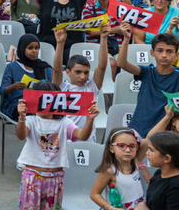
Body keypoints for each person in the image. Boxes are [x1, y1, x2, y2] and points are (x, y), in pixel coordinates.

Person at [15, 81, 99, 210]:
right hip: (32, 176)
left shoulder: (65, 122)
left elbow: (82, 136)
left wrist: (90, 119)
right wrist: (21, 117)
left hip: (55, 178)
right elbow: (21, 136)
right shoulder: (31, 120)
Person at [117, 26, 179, 137]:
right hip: (139, 127)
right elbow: (122, 64)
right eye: (160, 50)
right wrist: (126, 39)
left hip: (167, 132)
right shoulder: (147, 71)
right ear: (152, 52)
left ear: (176, 55)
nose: (164, 55)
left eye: (169, 51)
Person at [50, 28, 108, 142]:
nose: (83, 77)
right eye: (78, 72)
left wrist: (104, 37)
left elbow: (102, 66)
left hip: (87, 140)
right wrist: (60, 43)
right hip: (64, 140)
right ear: (67, 72)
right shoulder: (62, 87)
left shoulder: (91, 87)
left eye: (86, 72)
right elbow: (57, 69)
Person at [0, 34, 55, 119]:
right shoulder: (12, 67)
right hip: (18, 105)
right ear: (22, 49)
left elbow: (55, 88)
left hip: (41, 103)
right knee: (32, 114)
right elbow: (2, 91)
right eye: (30, 48)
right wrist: (13, 87)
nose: (34, 51)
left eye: (36, 48)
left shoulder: (44, 67)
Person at [91, 128, 148, 210]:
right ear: (111, 148)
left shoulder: (135, 162)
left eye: (132, 146)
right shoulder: (109, 171)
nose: (128, 150)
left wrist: (167, 117)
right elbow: (94, 194)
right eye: (121, 146)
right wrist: (111, 208)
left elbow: (147, 140)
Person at [144, 131, 179, 210]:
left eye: (151, 150)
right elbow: (153, 201)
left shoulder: (178, 187)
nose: (146, 153)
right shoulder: (159, 174)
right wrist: (142, 204)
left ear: (167, 158)